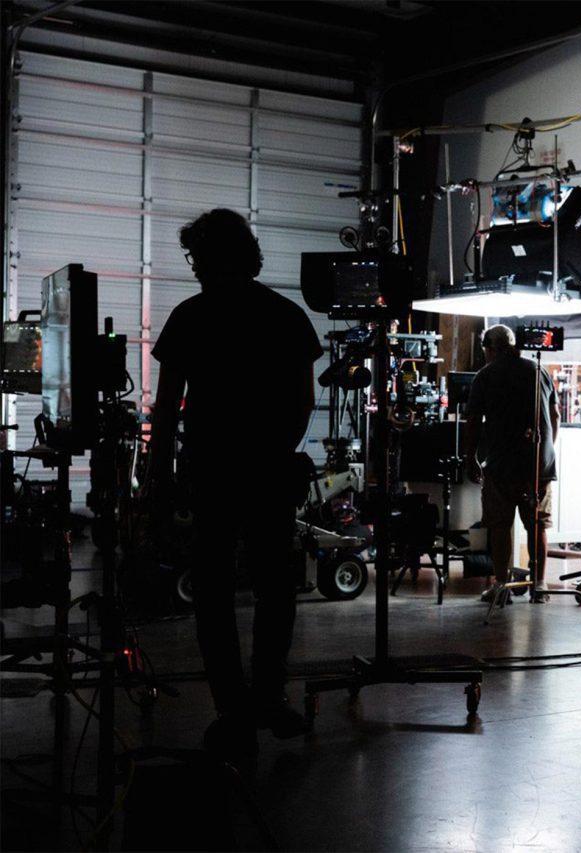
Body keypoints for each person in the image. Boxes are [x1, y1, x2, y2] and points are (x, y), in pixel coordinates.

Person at [146, 208, 323, 756]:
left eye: (196, 256)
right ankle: (269, 696)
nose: (194, 267)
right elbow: (304, 402)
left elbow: (169, 405)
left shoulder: (191, 316)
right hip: (269, 471)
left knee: (214, 594)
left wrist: (159, 472)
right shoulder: (286, 315)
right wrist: (274, 452)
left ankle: (232, 709)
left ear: (210, 256)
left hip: (212, 471)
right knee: (274, 589)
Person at [463, 324, 558, 604]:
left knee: (500, 525)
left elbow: (472, 422)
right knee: (537, 525)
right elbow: (554, 414)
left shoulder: (485, 375)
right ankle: (539, 586)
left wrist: (471, 458)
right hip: (538, 466)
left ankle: (501, 585)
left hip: (502, 464)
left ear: (490, 348)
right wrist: (547, 451)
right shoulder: (538, 370)